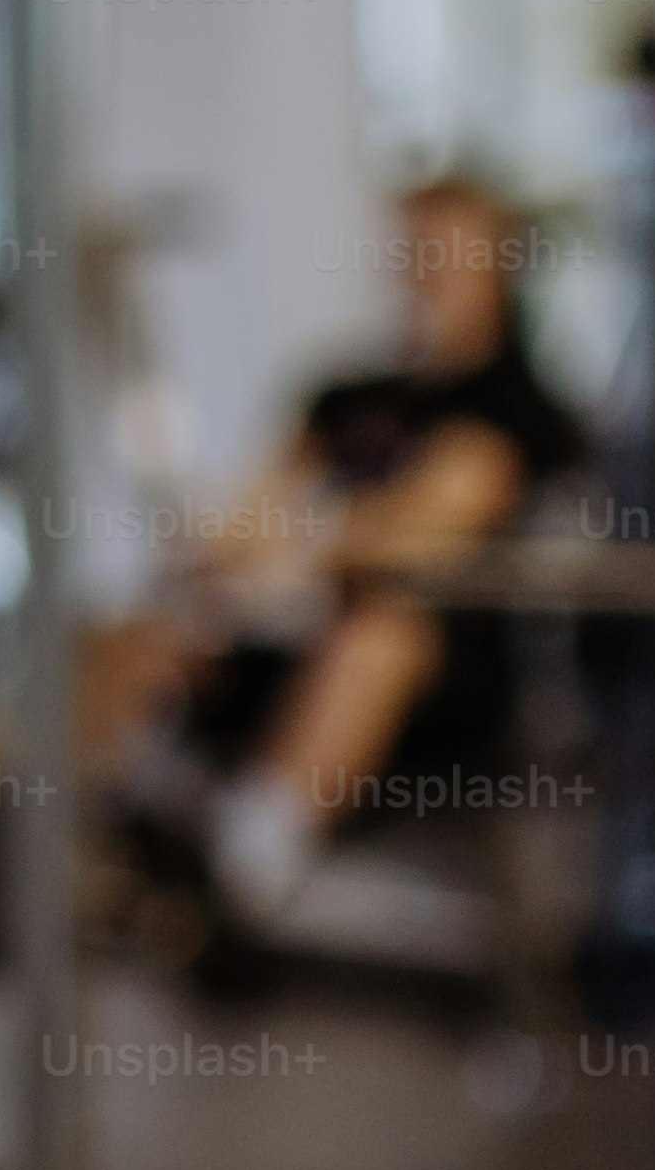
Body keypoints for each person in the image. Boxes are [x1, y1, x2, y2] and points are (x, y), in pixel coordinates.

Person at [86, 175, 588, 929]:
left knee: (378, 631)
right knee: (129, 628)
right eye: (417, 246)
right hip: (289, 628)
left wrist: (296, 551)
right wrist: (237, 562)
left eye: (451, 248)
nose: (428, 265)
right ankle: (95, 844)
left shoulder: (517, 405)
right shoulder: (342, 391)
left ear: (500, 262)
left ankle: (241, 878)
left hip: (435, 675)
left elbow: (419, 533)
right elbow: (242, 519)